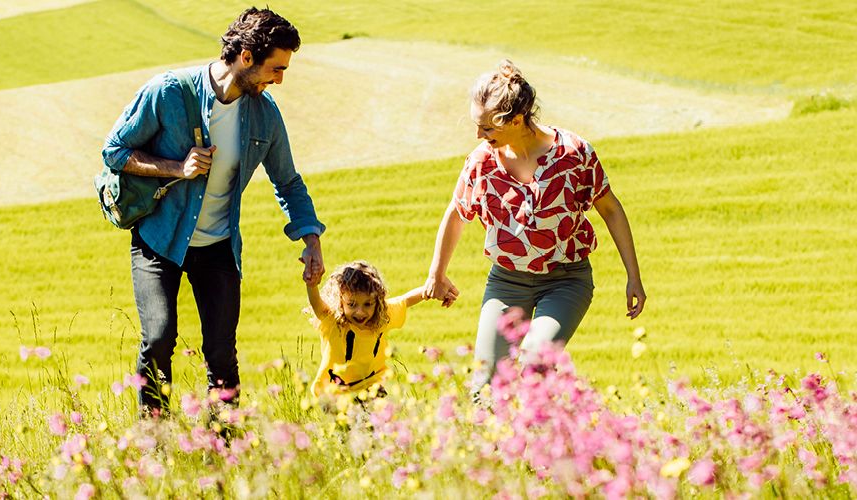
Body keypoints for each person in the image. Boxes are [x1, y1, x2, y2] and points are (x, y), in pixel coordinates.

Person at [101, 7, 325, 413]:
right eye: (275, 69)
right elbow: (114, 152)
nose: (279, 79)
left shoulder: (265, 114)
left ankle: (224, 446)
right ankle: (154, 439)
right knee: (159, 339)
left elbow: (288, 182)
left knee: (221, 353)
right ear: (245, 57)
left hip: (218, 247)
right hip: (159, 239)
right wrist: (176, 167)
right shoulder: (169, 92)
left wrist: (311, 238)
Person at [423, 59, 646, 396]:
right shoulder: (481, 162)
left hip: (566, 281)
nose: (479, 136)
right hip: (506, 281)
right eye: (476, 126)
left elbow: (611, 209)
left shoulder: (573, 154)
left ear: (516, 120)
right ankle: (496, 449)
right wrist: (436, 274)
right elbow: (457, 212)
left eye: (487, 129)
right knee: (485, 387)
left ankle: (546, 443)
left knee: (533, 364)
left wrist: (633, 275)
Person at [306, 261, 453, 399]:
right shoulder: (333, 322)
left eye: (368, 304)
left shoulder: (382, 317)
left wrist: (431, 288)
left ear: (377, 302)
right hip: (334, 392)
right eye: (352, 304)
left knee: (376, 423)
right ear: (340, 301)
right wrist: (312, 284)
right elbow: (317, 304)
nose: (360, 312)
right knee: (345, 426)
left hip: (373, 386)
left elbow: (406, 300)